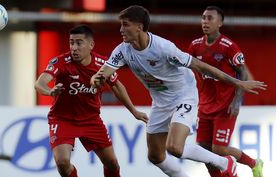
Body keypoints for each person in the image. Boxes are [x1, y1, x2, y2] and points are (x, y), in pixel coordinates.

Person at [90, 5, 267, 177]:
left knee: (174, 147)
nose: (121, 29)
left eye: (125, 25)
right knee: (155, 156)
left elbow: (199, 66)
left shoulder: (163, 47)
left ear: (139, 27)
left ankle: (224, 163)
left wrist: (237, 83)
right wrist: (95, 80)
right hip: (160, 102)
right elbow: (103, 72)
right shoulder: (122, 51)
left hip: (184, 95)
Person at [34, 25, 148, 177]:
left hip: (91, 120)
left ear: (91, 45)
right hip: (62, 119)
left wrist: (134, 110)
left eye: (79, 43)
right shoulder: (61, 62)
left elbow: (117, 86)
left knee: (112, 164)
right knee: (62, 162)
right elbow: (39, 84)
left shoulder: (103, 64)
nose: (74, 47)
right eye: (71, 42)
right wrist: (50, 91)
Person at [187, 6, 263, 177]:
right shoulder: (195, 46)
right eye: (203, 18)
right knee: (204, 150)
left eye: (210, 18)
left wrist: (237, 100)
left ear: (220, 23)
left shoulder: (229, 46)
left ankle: (254, 163)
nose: (205, 22)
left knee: (219, 149)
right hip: (205, 105)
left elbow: (243, 72)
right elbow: (186, 68)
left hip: (226, 105)